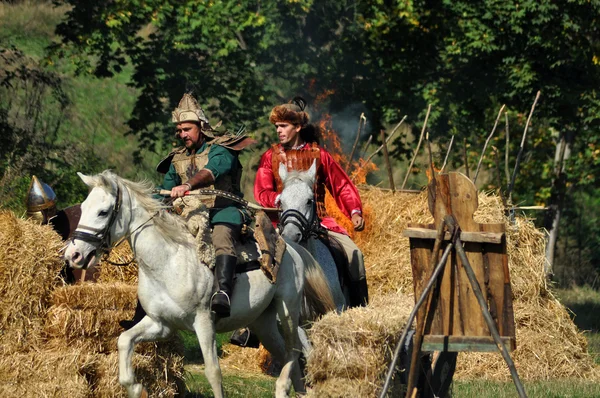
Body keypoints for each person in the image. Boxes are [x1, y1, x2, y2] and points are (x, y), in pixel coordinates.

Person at [120, 93, 252, 329]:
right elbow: (166, 190)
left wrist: (188, 185)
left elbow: (212, 172)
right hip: (189, 215)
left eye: (187, 129)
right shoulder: (177, 158)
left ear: (201, 127)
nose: (182, 135)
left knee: (221, 237)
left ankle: (223, 293)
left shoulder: (222, 149)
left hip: (223, 210)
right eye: (179, 130)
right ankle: (144, 309)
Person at [254, 96, 369, 307]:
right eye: (277, 127)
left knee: (355, 254)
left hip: (319, 221)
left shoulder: (320, 155)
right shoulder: (270, 157)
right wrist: (279, 199)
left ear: (297, 127)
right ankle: (250, 326)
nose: (278, 131)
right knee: (257, 262)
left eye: (283, 126)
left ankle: (359, 312)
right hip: (281, 223)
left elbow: (341, 185)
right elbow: (262, 191)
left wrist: (354, 211)